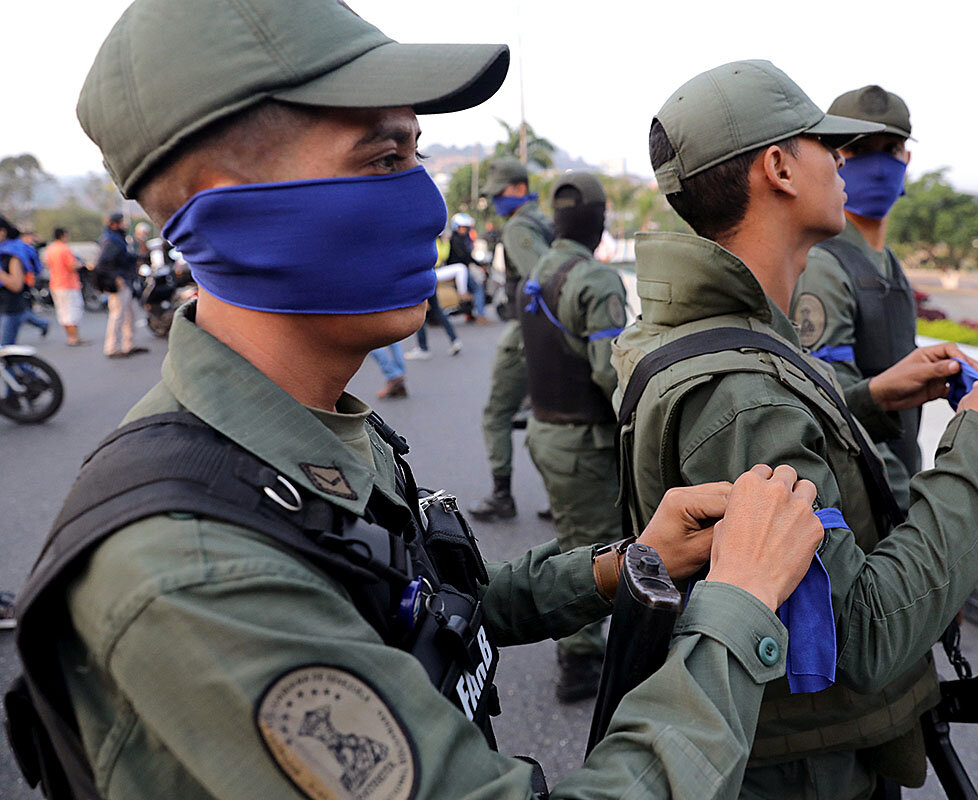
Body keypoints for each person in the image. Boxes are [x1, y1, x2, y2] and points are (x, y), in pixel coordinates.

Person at [5, 3, 838, 798]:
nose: (430, 204)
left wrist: (624, 566)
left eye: (416, 155)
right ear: (231, 208)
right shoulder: (197, 577)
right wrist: (737, 610)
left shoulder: (311, 432)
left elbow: (428, 616)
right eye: (384, 159)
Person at [616, 60, 978, 800]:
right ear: (779, 167)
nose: (843, 161)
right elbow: (866, 632)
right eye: (825, 145)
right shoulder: (742, 388)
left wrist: (869, 400)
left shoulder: (734, 340)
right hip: (810, 770)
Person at [519, 171, 627, 702]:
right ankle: (579, 661)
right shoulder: (596, 280)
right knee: (593, 548)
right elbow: (611, 375)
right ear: (600, 220)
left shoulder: (536, 270)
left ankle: (576, 641)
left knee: (571, 536)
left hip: (544, 431)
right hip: (584, 441)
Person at [789, 85, 919, 508]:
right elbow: (832, 404)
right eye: (860, 150)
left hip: (900, 469)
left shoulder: (888, 263)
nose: (879, 165)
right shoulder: (824, 264)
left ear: (907, 160)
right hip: (867, 489)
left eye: (891, 148)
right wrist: (906, 505)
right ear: (833, 160)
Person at [469, 156, 554, 521]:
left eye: (500, 193)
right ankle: (563, 497)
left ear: (518, 189)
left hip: (527, 333)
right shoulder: (543, 219)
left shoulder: (519, 227)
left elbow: (544, 279)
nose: (497, 201)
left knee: (497, 414)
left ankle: (502, 496)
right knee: (550, 414)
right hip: (550, 335)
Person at [95, 212, 147, 358]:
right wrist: (116, 278)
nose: (125, 225)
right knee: (117, 315)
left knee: (130, 314)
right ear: (114, 224)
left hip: (127, 281)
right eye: (122, 222)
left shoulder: (118, 239)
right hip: (120, 283)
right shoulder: (110, 241)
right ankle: (112, 348)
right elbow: (103, 264)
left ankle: (128, 345)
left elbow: (124, 257)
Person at [44, 227, 89, 346]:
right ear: (63, 235)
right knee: (72, 311)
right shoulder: (64, 249)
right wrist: (81, 264)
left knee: (63, 312)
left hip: (55, 284)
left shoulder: (50, 249)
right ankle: (74, 338)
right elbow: (72, 265)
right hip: (68, 284)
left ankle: (70, 337)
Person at [449, 212, 489, 322]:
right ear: (456, 227)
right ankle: (481, 316)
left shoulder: (464, 239)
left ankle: (469, 314)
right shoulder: (456, 240)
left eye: (466, 227)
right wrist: (480, 265)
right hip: (458, 270)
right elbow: (466, 257)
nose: (464, 230)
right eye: (462, 227)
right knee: (478, 288)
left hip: (463, 269)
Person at [0, 218, 30, 346]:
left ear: (2, 232)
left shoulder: (11, 255)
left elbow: (16, 285)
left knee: (6, 352)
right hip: (4, 308)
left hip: (10, 309)